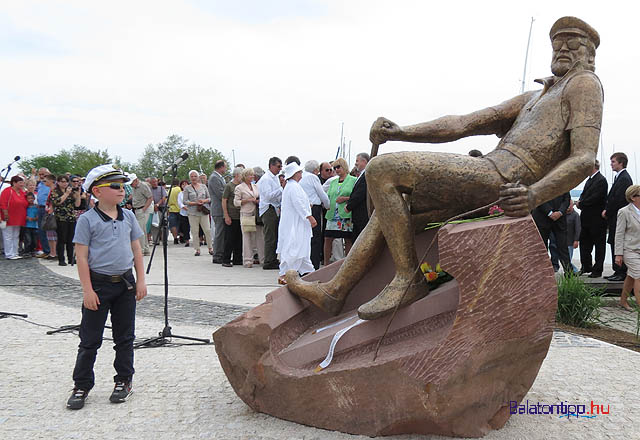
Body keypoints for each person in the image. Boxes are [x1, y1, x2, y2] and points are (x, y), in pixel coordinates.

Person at [286, 16, 604, 320]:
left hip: (504, 177)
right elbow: (462, 124)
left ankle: (408, 279)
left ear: (588, 53)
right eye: (557, 43)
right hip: (488, 169)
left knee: (381, 169)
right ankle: (335, 291)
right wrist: (401, 131)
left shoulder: (584, 84)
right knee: (391, 212)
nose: (562, 49)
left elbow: (584, 158)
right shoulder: (536, 95)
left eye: (572, 43)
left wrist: (533, 194)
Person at [66, 165, 147, 410]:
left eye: (122, 186)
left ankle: (124, 380)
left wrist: (140, 280)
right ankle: (82, 384)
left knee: (125, 337)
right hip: (99, 285)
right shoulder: (87, 220)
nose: (121, 190)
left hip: (125, 285)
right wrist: (87, 291)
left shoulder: (129, 216)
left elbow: (136, 249)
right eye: (115, 186)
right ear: (98, 191)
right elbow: (81, 257)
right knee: (90, 339)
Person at [277, 163, 317, 284]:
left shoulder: (292, 186)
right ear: (295, 174)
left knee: (301, 247)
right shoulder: (293, 187)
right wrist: (309, 216)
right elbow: (297, 203)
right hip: (295, 223)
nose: (301, 175)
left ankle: (309, 271)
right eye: (299, 172)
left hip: (297, 222)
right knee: (293, 247)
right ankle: (285, 273)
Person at [603, 152, 633, 281]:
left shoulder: (624, 178)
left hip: (618, 217)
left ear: (621, 163)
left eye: (613, 161)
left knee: (618, 242)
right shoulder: (619, 177)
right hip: (615, 216)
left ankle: (621, 272)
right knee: (614, 242)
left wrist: (607, 211)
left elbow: (619, 200)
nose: (611, 164)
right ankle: (617, 271)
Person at [576, 160, 607, 277]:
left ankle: (597, 269)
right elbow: (584, 195)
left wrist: (581, 203)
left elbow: (596, 198)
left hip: (597, 219)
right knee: (584, 244)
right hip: (586, 219)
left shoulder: (601, 180)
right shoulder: (589, 180)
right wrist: (580, 201)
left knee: (599, 246)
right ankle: (586, 266)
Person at [323, 158, 356, 265]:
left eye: (338, 167)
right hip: (332, 214)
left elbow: (356, 196)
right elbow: (328, 196)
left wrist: (345, 199)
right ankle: (326, 263)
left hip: (345, 214)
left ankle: (348, 264)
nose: (336, 170)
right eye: (335, 168)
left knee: (347, 240)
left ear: (344, 167)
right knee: (328, 239)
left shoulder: (353, 180)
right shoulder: (333, 182)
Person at [300, 160, 330, 269]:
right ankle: (314, 263)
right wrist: (327, 205)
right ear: (315, 170)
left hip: (304, 208)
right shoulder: (313, 178)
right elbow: (322, 194)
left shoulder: (301, 177)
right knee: (315, 237)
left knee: (306, 236)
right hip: (314, 208)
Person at [614, 185, 640, 310]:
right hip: (629, 250)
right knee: (639, 275)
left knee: (631, 276)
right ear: (633, 197)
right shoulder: (624, 212)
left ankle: (623, 301)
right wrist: (618, 254)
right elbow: (619, 233)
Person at [234, 168, 263, 267]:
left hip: (256, 214)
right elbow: (236, 202)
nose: (252, 177)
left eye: (253, 175)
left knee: (259, 237)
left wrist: (257, 201)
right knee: (247, 237)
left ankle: (262, 258)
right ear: (245, 176)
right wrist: (248, 200)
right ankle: (247, 260)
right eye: (250, 175)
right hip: (246, 214)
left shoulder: (255, 186)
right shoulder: (239, 188)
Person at [258, 157, 283, 270]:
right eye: (278, 166)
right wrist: (282, 189)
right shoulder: (266, 179)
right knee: (270, 236)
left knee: (274, 235)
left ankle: (272, 258)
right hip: (268, 209)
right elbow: (268, 196)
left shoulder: (275, 178)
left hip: (274, 208)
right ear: (271, 166)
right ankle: (268, 260)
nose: (280, 169)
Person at [51, 175, 80, 266]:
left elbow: (77, 205)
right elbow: (57, 202)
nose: (64, 184)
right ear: (58, 182)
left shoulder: (71, 191)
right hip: (61, 218)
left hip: (71, 217)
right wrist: (66, 194)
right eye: (62, 182)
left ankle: (71, 258)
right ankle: (61, 259)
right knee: (61, 239)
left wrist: (78, 195)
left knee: (70, 240)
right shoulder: (55, 192)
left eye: (66, 182)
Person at [183, 170, 212, 256]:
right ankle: (197, 249)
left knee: (207, 230)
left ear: (198, 177)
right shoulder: (187, 188)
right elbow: (185, 201)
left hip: (203, 211)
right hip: (192, 212)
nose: (193, 178)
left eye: (195, 176)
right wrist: (195, 203)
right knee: (195, 231)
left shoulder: (203, 187)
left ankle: (210, 247)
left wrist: (203, 201)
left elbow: (209, 198)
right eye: (192, 176)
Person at [0, 175, 28, 260]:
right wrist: (5, 214)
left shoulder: (22, 192)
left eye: (23, 182)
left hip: (19, 216)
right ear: (14, 183)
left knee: (16, 235)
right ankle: (9, 253)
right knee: (8, 235)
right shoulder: (7, 191)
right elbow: (3, 203)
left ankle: (15, 252)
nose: (22, 184)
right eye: (20, 182)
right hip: (9, 216)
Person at [345, 152, 370, 242]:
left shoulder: (366, 175)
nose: (356, 163)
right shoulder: (362, 175)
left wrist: (349, 206)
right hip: (358, 215)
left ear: (364, 161)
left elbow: (359, 194)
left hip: (362, 214)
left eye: (357, 161)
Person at [550, 199, 580, 273]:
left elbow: (578, 228)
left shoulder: (575, 215)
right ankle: (557, 266)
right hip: (561, 241)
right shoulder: (562, 215)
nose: (568, 207)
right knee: (560, 256)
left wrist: (576, 240)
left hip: (570, 241)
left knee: (567, 259)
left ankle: (573, 271)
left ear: (573, 206)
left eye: (569, 205)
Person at [221, 167, 243, 267]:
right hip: (231, 215)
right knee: (229, 239)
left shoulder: (242, 186)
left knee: (239, 238)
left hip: (240, 216)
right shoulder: (229, 186)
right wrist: (226, 215)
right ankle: (226, 259)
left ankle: (237, 259)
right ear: (237, 175)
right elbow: (224, 200)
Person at [208, 160, 227, 264]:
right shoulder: (214, 178)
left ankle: (220, 253)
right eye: (225, 167)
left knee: (221, 232)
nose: (226, 169)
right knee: (219, 232)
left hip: (220, 209)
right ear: (221, 167)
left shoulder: (218, 177)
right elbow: (220, 194)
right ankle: (217, 255)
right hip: (218, 209)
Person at [130, 175, 153, 256]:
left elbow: (150, 198)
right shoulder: (134, 188)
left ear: (136, 180)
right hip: (136, 209)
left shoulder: (143, 186)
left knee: (140, 230)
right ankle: (146, 249)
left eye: (131, 183)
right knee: (143, 230)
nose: (131, 185)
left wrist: (144, 209)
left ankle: (141, 250)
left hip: (142, 209)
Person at [35, 168, 52, 258]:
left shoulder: (52, 185)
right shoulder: (40, 184)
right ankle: (46, 250)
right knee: (41, 230)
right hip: (40, 208)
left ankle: (52, 251)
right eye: (40, 174)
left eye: (44, 174)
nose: (42, 176)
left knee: (49, 230)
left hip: (48, 208)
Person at [149, 177, 167, 244]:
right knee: (154, 225)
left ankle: (164, 240)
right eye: (153, 182)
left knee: (164, 225)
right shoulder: (149, 190)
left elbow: (164, 197)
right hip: (153, 209)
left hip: (161, 208)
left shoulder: (161, 188)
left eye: (156, 181)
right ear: (150, 183)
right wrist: (153, 205)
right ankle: (155, 240)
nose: (155, 183)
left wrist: (158, 204)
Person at [166, 179, 181, 244]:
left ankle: (175, 238)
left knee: (173, 225)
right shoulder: (179, 189)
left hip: (172, 209)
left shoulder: (169, 190)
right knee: (180, 224)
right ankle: (181, 237)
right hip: (180, 209)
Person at [176, 180, 191, 247]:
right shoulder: (180, 194)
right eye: (183, 184)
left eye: (186, 184)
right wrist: (184, 208)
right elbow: (179, 203)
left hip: (192, 212)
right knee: (185, 228)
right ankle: (187, 241)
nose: (184, 186)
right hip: (183, 213)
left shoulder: (191, 192)